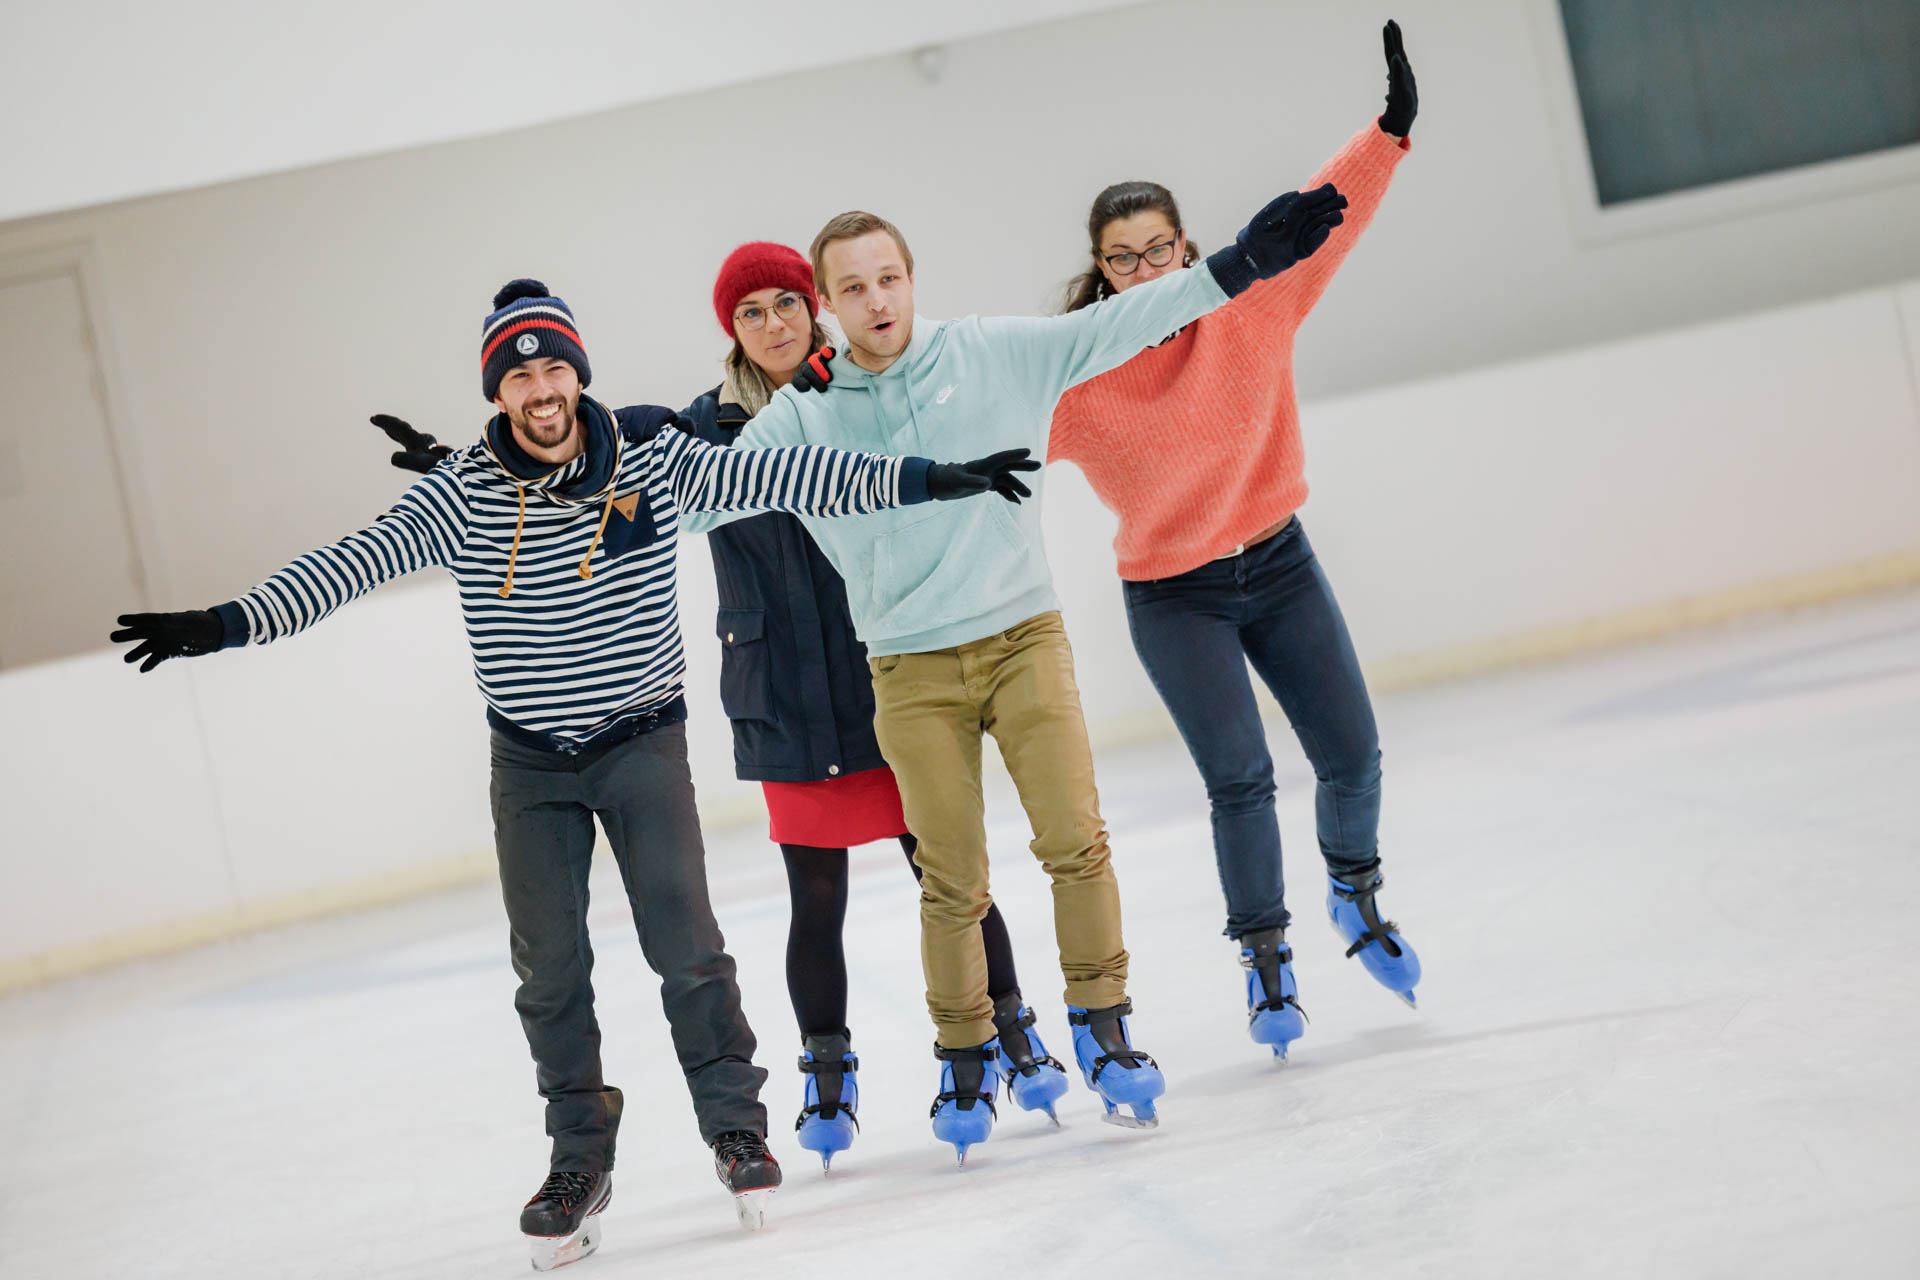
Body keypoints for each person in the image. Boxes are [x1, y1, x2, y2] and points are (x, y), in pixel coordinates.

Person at [109, 278, 1036, 1267]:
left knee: (686, 945)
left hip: (640, 739)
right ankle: (578, 1154)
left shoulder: (654, 459)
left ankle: (736, 1125)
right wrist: (223, 624)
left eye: (552, 367)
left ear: (577, 376)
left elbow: (797, 476)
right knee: (550, 970)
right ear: (497, 393)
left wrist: (934, 477)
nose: (539, 388)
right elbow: (351, 562)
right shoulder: (461, 492)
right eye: (517, 375)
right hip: (531, 759)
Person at [378, 245, 1071, 1169]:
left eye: (789, 304)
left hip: (886, 669)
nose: (775, 324)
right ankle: (827, 1071)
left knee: (947, 870)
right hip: (781, 690)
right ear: (731, 330)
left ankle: (1006, 1028)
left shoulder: (864, 395)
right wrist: (472, 463)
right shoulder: (697, 429)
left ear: (815, 308)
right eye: (752, 313)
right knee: (813, 894)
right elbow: (577, 441)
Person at [697, 179, 1350, 1159]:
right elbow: (702, 492)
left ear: (912, 281)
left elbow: (1132, 316)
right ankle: (965, 1053)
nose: (876, 300)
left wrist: (1245, 261)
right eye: (853, 287)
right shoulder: (807, 414)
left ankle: (1106, 1021)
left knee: (1076, 840)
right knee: (951, 877)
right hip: (910, 668)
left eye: (889, 278)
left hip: (1021, 638)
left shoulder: (993, 351)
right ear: (827, 302)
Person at [1047, 21, 1425, 1060]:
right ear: (1101, 268)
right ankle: (1267, 963)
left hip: (1278, 560)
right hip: (1176, 595)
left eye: (1159, 249)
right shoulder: (1076, 377)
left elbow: (1326, 218)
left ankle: (1356, 890)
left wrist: (1388, 132)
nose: (1143, 269)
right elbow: (977, 397)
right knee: (1242, 777)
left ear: (1185, 243)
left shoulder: (1252, 302)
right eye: (1120, 259)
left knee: (1352, 752)